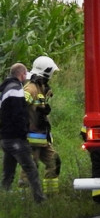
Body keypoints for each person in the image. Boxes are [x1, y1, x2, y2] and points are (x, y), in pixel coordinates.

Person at [1, 63, 45, 202]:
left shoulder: (4, 88)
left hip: (5, 138)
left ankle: (4, 198)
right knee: (31, 170)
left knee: (8, 172)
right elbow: (18, 114)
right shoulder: (16, 89)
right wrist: (23, 132)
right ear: (22, 74)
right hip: (15, 138)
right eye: (25, 75)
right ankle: (40, 200)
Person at [23, 56, 61, 196]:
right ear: (47, 72)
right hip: (31, 139)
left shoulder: (40, 87)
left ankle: (51, 196)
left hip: (42, 138)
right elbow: (18, 107)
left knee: (54, 162)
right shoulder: (30, 88)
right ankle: (25, 200)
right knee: (30, 170)